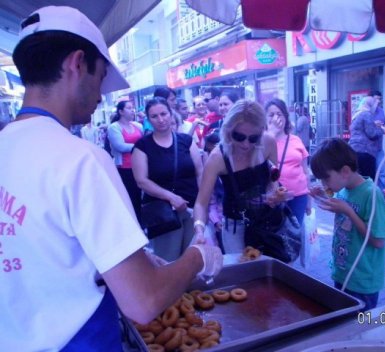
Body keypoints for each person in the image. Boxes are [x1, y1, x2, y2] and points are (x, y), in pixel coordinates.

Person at [0, 6, 222, 351]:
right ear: (76, 64)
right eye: (101, 76)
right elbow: (143, 301)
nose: (101, 95)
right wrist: (198, 256)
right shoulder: (80, 159)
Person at [193, 100, 285, 253]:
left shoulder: (268, 142)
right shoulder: (218, 157)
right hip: (236, 226)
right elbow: (201, 203)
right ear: (228, 130)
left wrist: (274, 194)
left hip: (268, 221)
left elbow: (273, 180)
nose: (246, 144)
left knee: (272, 271)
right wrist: (199, 229)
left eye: (253, 138)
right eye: (239, 136)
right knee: (243, 273)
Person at [309, 138, 385, 311]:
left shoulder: (372, 194)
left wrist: (349, 212)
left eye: (326, 179)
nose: (324, 184)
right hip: (342, 272)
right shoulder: (343, 189)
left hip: (362, 281)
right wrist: (321, 196)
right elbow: (342, 211)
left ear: (345, 171)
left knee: (359, 329)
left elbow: (378, 241)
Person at [132, 97, 203, 261]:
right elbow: (141, 181)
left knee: (192, 259)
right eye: (154, 116)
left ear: (171, 114)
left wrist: (201, 202)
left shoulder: (186, 141)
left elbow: (199, 171)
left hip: (191, 208)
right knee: (167, 260)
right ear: (148, 120)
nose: (161, 119)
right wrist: (171, 197)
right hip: (162, 213)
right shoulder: (142, 146)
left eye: (164, 113)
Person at [265, 98, 311, 226]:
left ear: (286, 117)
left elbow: (305, 171)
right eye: (271, 115)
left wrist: (309, 200)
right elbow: (258, 163)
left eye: (279, 114)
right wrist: (271, 134)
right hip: (274, 198)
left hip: (298, 196)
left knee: (295, 234)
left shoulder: (296, 140)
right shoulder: (262, 141)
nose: (275, 118)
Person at [107, 100, 144, 223]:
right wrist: (139, 147)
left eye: (132, 107)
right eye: (128, 108)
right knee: (131, 197)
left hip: (140, 165)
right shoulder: (114, 127)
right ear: (121, 111)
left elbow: (144, 141)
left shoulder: (137, 125)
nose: (132, 110)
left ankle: (142, 221)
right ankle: (135, 223)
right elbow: (120, 146)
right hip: (125, 168)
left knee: (141, 196)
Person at [348, 96, 384, 180]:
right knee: (368, 180)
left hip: (354, 151)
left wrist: (374, 124)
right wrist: (382, 130)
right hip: (365, 152)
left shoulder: (356, 115)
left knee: (358, 179)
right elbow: (372, 133)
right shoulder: (366, 114)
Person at [368, 91, 385, 190]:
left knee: (382, 172)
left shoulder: (381, 111)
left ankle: (381, 194)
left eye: (380, 99)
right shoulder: (365, 112)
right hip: (367, 149)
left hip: (378, 148)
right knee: (370, 173)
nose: (378, 101)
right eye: (376, 99)